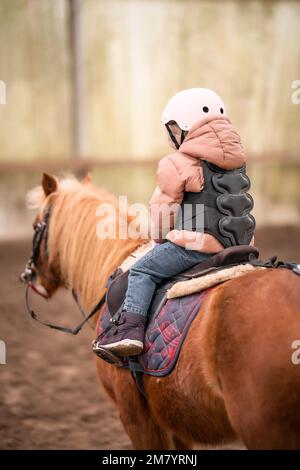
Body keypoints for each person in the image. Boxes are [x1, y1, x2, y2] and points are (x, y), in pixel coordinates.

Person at [94, 88, 255, 357]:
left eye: (172, 128)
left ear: (184, 126)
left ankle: (129, 330)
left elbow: (162, 212)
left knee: (142, 272)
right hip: (239, 243)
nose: (171, 135)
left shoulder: (177, 162)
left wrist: (159, 238)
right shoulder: (236, 161)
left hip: (195, 246)